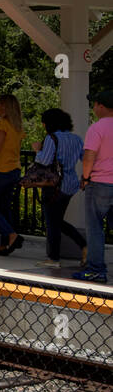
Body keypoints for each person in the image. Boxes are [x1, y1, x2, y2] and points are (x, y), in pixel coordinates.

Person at [33, 108, 86, 269]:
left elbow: (44, 161)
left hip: (53, 185)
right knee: (56, 221)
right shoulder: (76, 139)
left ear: (49, 123)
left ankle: (55, 258)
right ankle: (84, 247)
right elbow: (85, 158)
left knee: (52, 222)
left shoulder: (52, 138)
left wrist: (37, 150)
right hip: (70, 185)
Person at [76, 90, 113, 283]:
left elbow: (89, 155)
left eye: (95, 104)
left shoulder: (97, 128)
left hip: (99, 184)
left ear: (100, 105)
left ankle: (96, 270)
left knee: (95, 228)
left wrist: (85, 177)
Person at [0, 93, 25, 255]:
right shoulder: (17, 127)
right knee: (4, 208)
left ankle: (11, 234)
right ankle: (4, 245)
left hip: (0, 170)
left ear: (4, 107)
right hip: (15, 170)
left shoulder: (2, 125)